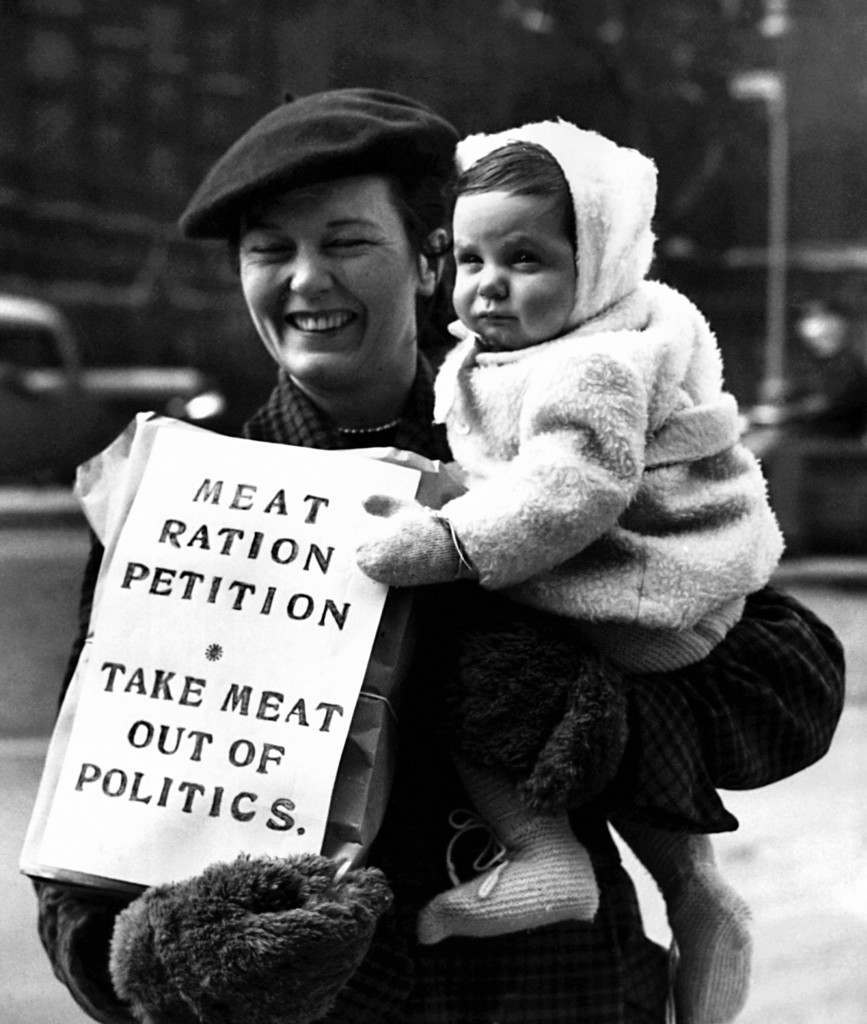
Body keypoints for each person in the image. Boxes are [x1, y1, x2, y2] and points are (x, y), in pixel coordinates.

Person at [32, 89, 844, 1024]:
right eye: (268, 250)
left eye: (344, 243)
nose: (304, 281)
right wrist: (161, 966)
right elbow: (84, 841)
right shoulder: (178, 504)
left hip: (565, 995)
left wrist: (598, 710)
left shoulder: (543, 451)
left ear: (429, 264)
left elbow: (791, 692)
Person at [355, 118, 784, 1023]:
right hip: (668, 598)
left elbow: (569, 492)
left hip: (645, 591)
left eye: (524, 259)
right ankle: (706, 908)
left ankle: (542, 852)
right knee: (668, 824)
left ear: (595, 266)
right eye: (470, 260)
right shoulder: (553, 347)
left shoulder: (593, 366)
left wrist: (447, 543)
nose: (488, 286)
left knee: (475, 657)